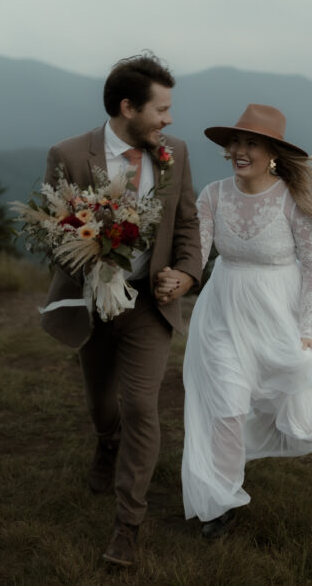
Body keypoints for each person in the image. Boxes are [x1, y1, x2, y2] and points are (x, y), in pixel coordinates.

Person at [39, 52, 201, 567]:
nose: (169, 120)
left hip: (148, 306)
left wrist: (187, 273)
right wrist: (93, 255)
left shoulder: (175, 153)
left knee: (140, 407)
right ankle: (106, 442)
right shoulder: (68, 154)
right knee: (102, 407)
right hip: (91, 303)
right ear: (128, 108)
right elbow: (51, 233)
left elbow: (188, 223)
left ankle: (128, 524)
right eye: (161, 109)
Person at [181, 103, 312, 538]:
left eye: (251, 143)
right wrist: (176, 278)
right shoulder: (213, 195)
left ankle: (239, 458)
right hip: (223, 311)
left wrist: (307, 330)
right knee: (227, 405)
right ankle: (219, 502)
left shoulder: (293, 202)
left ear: (272, 152)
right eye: (236, 142)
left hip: (277, 314)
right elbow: (196, 255)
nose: (240, 151)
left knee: (293, 413)